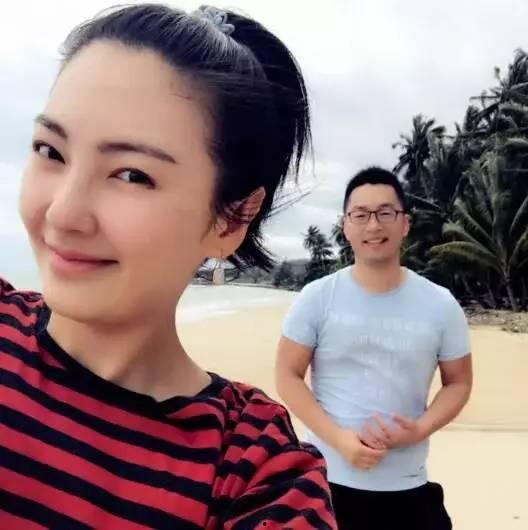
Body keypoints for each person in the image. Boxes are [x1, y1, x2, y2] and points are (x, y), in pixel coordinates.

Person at [0, 5, 337, 529]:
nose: (62, 214)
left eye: (131, 175)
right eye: (51, 150)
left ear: (230, 218)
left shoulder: (252, 470)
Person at [276, 167, 473, 530]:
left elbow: (458, 382)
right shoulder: (317, 297)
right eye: (361, 215)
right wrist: (339, 440)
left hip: (408, 486)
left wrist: (420, 429)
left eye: (385, 213)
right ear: (345, 226)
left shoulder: (440, 305)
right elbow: (287, 375)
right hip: (327, 484)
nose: (373, 225)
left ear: (405, 223)